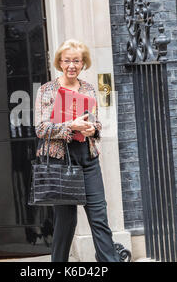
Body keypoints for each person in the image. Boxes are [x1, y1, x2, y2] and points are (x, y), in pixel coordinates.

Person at [34, 39, 120, 262]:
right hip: (60, 161)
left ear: (83, 64)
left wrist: (92, 129)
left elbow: (97, 123)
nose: (72, 65)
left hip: (87, 159)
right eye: (67, 61)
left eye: (77, 61)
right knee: (66, 221)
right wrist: (70, 126)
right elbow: (41, 128)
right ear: (60, 63)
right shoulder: (47, 90)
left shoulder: (90, 89)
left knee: (99, 216)